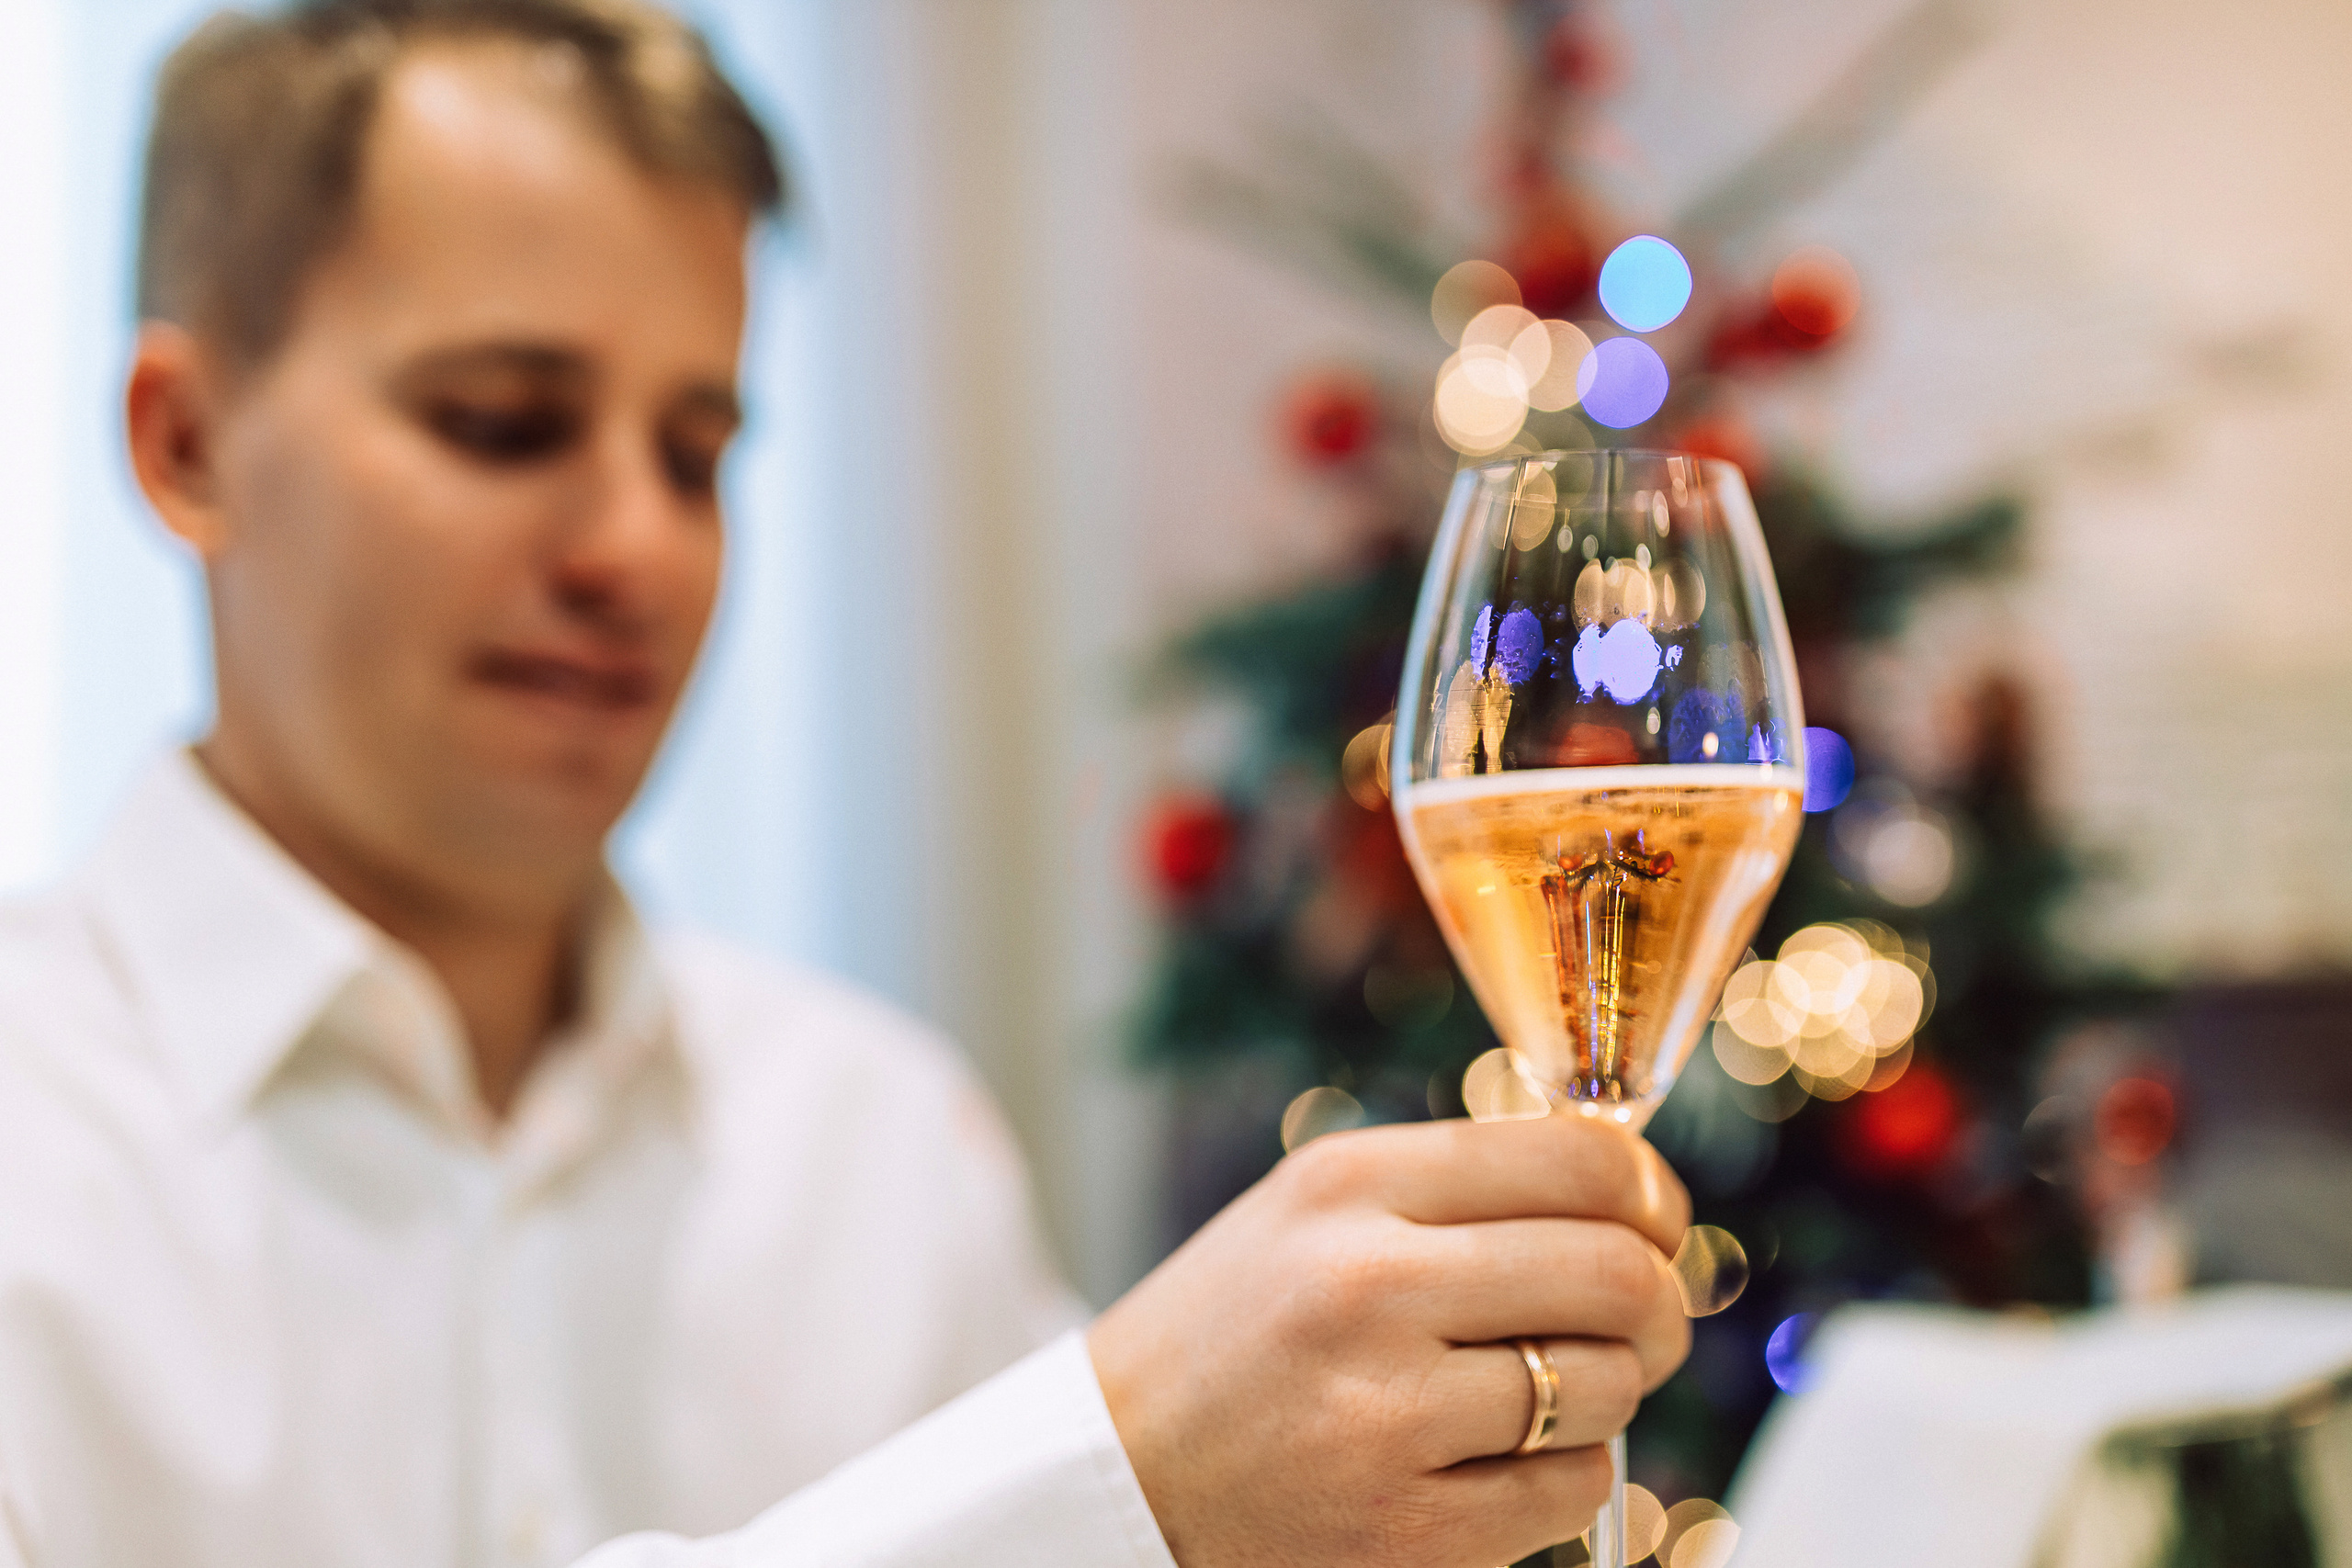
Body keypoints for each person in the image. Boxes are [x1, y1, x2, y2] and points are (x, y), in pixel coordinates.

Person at [0, 2, 1692, 1564]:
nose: (636, 551)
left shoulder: (882, 1144)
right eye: (505, 420)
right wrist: (1120, 1487)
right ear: (187, 442)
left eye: (694, 452)